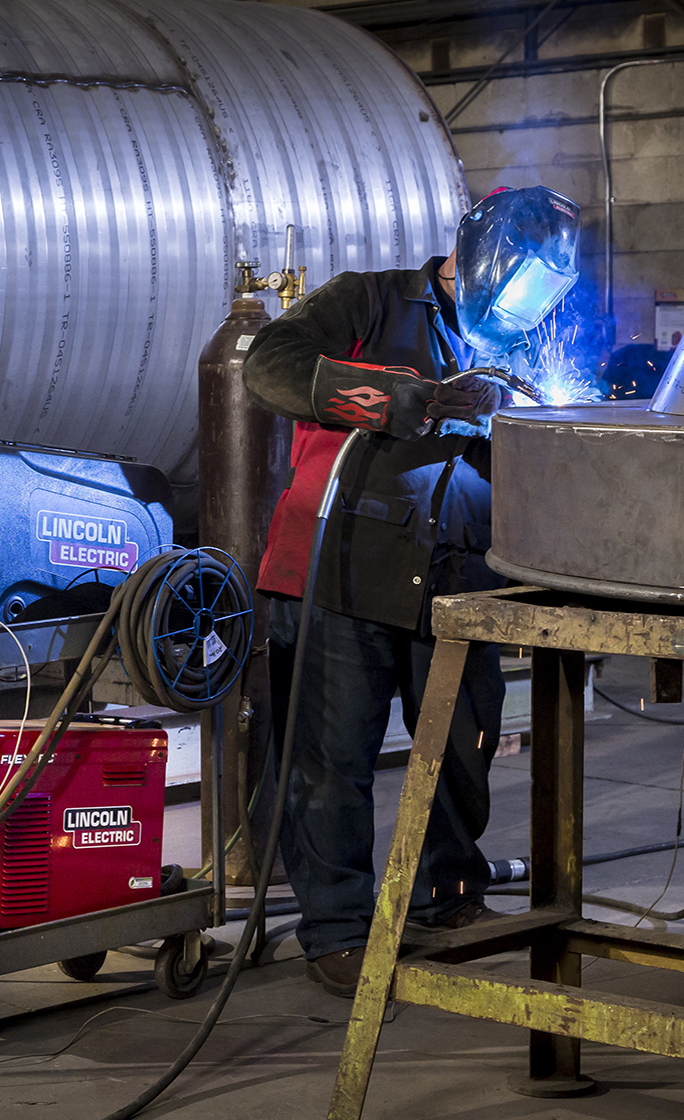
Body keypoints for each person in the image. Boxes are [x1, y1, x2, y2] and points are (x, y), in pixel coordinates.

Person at [242, 186, 581, 997]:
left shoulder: (514, 337)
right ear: (476, 260)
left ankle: (447, 899)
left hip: (460, 578)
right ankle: (335, 930)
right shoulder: (367, 298)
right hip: (339, 572)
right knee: (332, 763)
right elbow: (270, 365)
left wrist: (515, 415)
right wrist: (399, 401)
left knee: (463, 749)